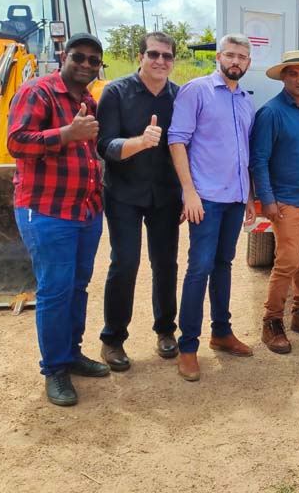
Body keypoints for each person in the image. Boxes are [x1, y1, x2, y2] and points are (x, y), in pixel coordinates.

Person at [8, 32, 110, 406]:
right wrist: (67, 133)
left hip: (85, 210)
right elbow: (16, 142)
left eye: (93, 61)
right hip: (48, 211)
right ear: (63, 57)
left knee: (78, 286)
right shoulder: (38, 92)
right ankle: (54, 370)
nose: (85, 65)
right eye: (79, 58)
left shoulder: (88, 100)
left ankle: (72, 354)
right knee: (54, 290)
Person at [168, 34, 257, 381]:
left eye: (243, 57)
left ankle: (221, 332)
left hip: (235, 198)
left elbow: (244, 154)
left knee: (224, 266)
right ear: (219, 56)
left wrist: (249, 196)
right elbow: (177, 140)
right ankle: (187, 347)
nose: (236, 61)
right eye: (231, 55)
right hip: (205, 199)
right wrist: (188, 193)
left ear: (249, 63)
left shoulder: (246, 100)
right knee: (199, 269)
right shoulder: (197, 91)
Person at [96, 32, 182, 371]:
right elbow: (105, 146)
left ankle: (166, 332)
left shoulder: (180, 96)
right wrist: (141, 143)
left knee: (166, 264)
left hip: (165, 195)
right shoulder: (115, 92)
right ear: (139, 56)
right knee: (125, 263)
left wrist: (188, 190)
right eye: (154, 54)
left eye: (167, 55)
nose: (160, 61)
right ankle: (113, 339)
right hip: (123, 193)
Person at [251, 50, 299, 354]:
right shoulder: (271, 112)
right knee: (286, 263)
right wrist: (267, 201)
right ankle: (271, 322)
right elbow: (259, 159)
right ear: (283, 77)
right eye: (293, 73)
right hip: (286, 202)